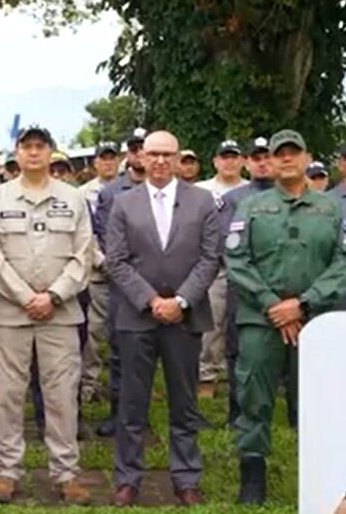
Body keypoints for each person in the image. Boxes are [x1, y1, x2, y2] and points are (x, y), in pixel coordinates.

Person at [225, 129, 346, 505]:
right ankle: (252, 477)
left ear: (306, 156)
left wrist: (304, 304)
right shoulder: (249, 208)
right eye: (280, 154)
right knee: (254, 397)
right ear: (271, 162)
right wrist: (271, 303)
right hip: (261, 322)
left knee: (318, 400)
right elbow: (235, 259)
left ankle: (322, 474)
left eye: (294, 152)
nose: (287, 159)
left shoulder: (332, 209)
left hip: (317, 322)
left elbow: (343, 262)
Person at [0, 126, 93, 505]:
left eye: (39, 146)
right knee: (8, 395)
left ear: (51, 152)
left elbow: (84, 254)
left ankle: (66, 473)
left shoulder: (73, 198)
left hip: (60, 315)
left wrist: (55, 295)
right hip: (10, 314)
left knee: (62, 395)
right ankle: (7, 471)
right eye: (26, 147)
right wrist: (27, 296)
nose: (32, 153)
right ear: (16, 153)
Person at [107, 130, 220, 507]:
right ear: (140, 157)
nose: (159, 161)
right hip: (138, 317)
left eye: (166, 155)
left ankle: (186, 478)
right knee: (132, 403)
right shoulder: (124, 203)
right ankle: (128, 478)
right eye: (152, 154)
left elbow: (210, 258)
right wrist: (151, 299)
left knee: (184, 403)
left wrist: (182, 300)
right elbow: (117, 260)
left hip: (184, 319)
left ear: (178, 159)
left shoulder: (203, 202)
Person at [92, 129, 147, 438]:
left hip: (161, 282)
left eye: (145, 147)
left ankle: (146, 412)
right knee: (120, 349)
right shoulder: (112, 192)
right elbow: (104, 238)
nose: (140, 154)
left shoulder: (168, 188)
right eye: (135, 148)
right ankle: (118, 412)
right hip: (123, 283)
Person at [219, 137, 276, 427]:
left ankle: (295, 414)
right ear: (247, 162)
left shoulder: (290, 193)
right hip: (242, 289)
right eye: (257, 158)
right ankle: (238, 412)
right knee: (238, 351)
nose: (263, 162)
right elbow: (226, 247)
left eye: (267, 157)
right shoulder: (233, 199)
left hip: (284, 288)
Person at [195, 140, 249, 398]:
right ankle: (207, 374)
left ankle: (240, 373)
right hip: (214, 264)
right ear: (215, 161)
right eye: (224, 157)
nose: (229, 162)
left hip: (247, 265)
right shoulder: (200, 190)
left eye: (234, 156)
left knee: (244, 320)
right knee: (213, 321)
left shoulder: (254, 189)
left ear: (242, 160)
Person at [78, 142, 120, 403]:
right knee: (93, 332)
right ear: (95, 162)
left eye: (112, 158)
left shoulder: (133, 187)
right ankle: (88, 384)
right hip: (97, 271)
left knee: (125, 333)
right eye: (103, 158)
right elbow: (86, 234)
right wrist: (103, 261)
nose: (108, 163)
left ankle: (125, 386)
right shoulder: (83, 193)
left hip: (129, 275)